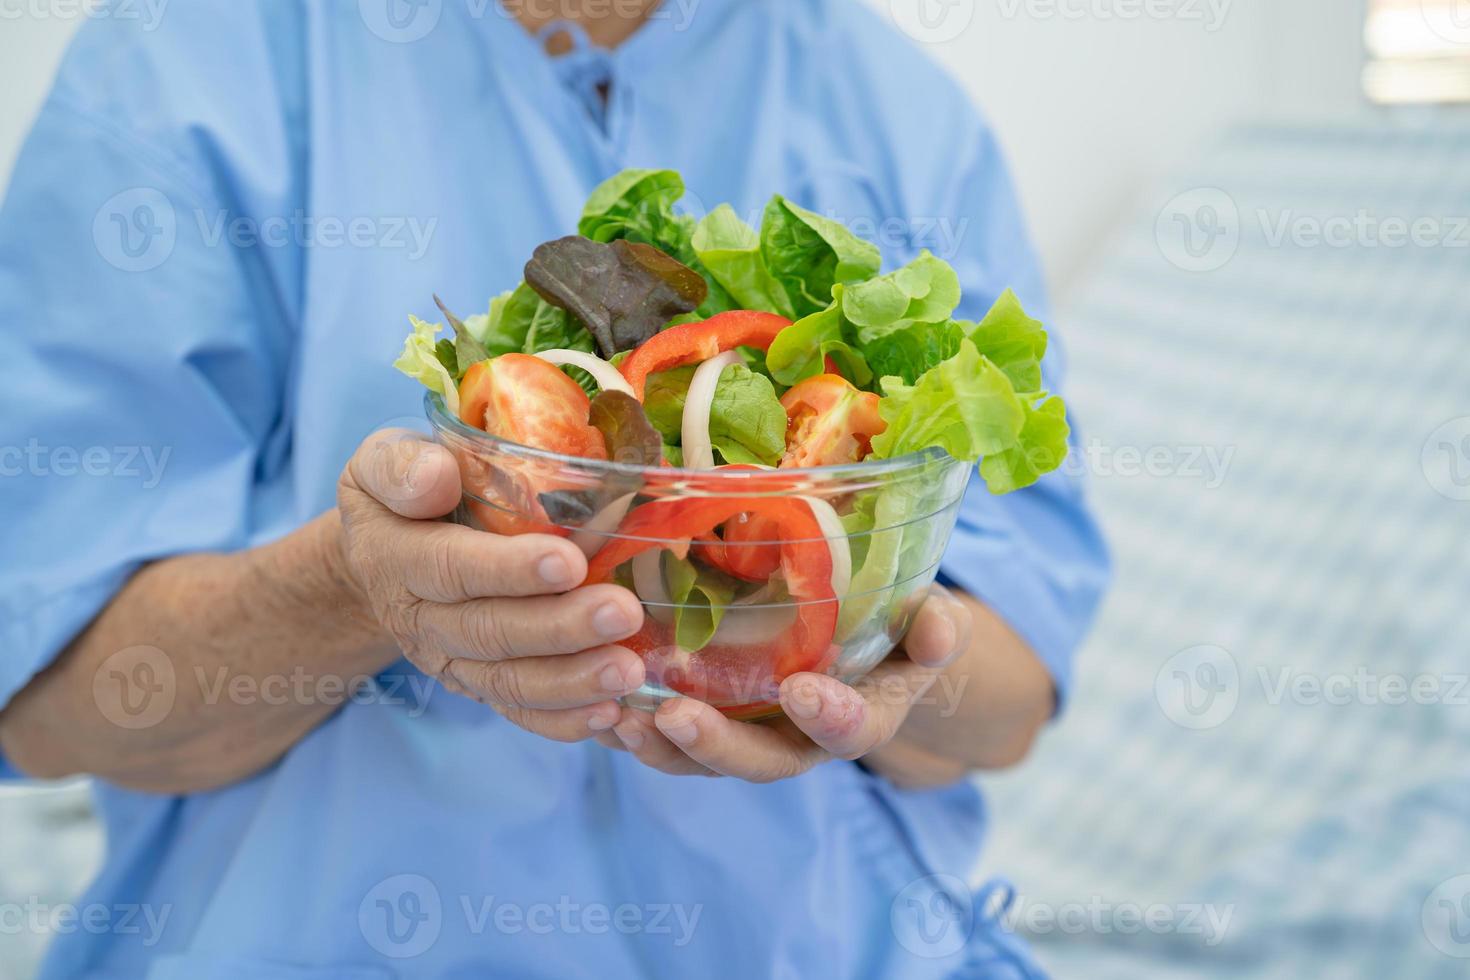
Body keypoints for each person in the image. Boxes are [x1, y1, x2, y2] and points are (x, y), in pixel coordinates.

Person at [0, 1, 1109, 976]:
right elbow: (45, 702)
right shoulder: (184, 64)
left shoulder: (898, 108)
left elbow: (1011, 698)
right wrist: (358, 587)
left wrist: (859, 654)